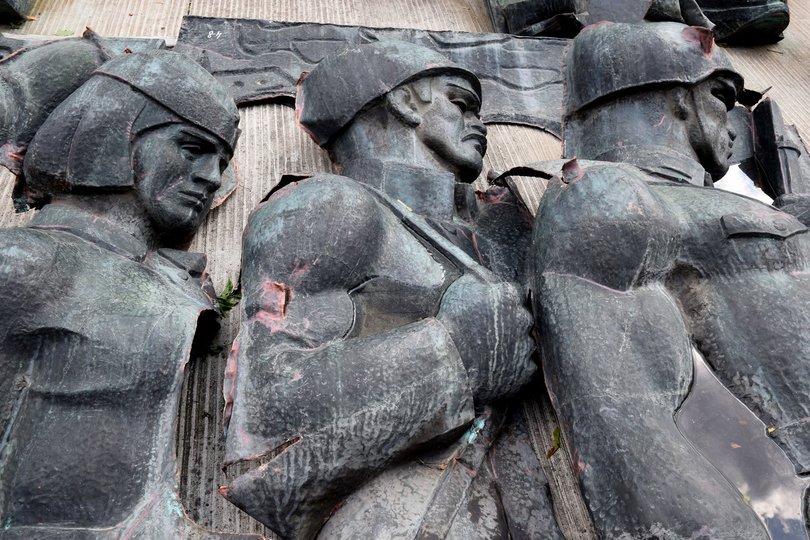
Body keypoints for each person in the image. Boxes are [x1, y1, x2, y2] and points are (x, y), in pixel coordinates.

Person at [221, 41, 561, 539]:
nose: (480, 123)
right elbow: (268, 409)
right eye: (460, 103)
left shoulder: (498, 228)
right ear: (404, 102)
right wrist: (456, 351)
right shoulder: (332, 206)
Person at [530, 21, 799, 538]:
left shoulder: (735, 202)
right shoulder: (607, 196)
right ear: (676, 97)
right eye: (721, 97)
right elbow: (625, 420)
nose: (736, 126)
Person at [0, 49, 250, 539]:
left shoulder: (172, 280)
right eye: (191, 148)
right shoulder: (23, 262)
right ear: (115, 131)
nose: (212, 176)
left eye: (221, 161)